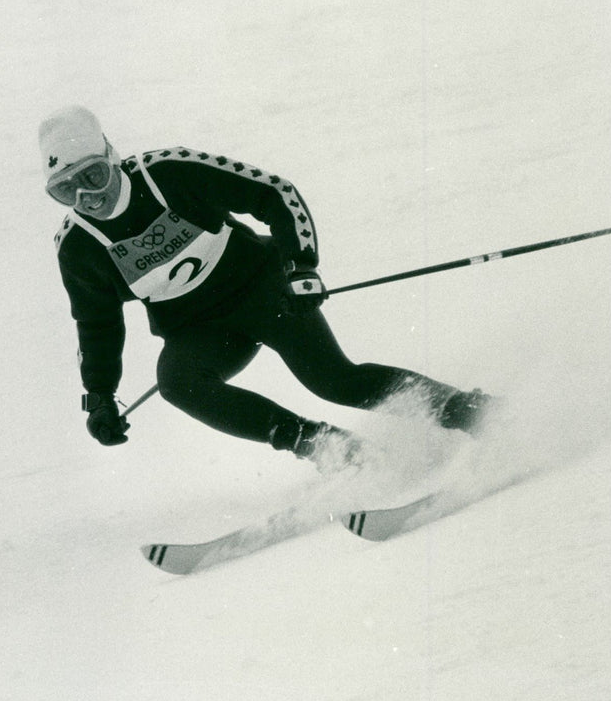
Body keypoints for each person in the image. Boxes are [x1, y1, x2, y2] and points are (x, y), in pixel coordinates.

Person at [39, 106, 494, 472]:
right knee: (177, 383)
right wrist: (98, 396)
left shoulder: (169, 173)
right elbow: (96, 324)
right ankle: (325, 446)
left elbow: (274, 193)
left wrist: (301, 267)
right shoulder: (78, 247)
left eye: (94, 176)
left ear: (112, 156)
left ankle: (471, 411)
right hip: (199, 330)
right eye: (66, 190)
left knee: (335, 381)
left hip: (265, 291)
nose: (87, 198)